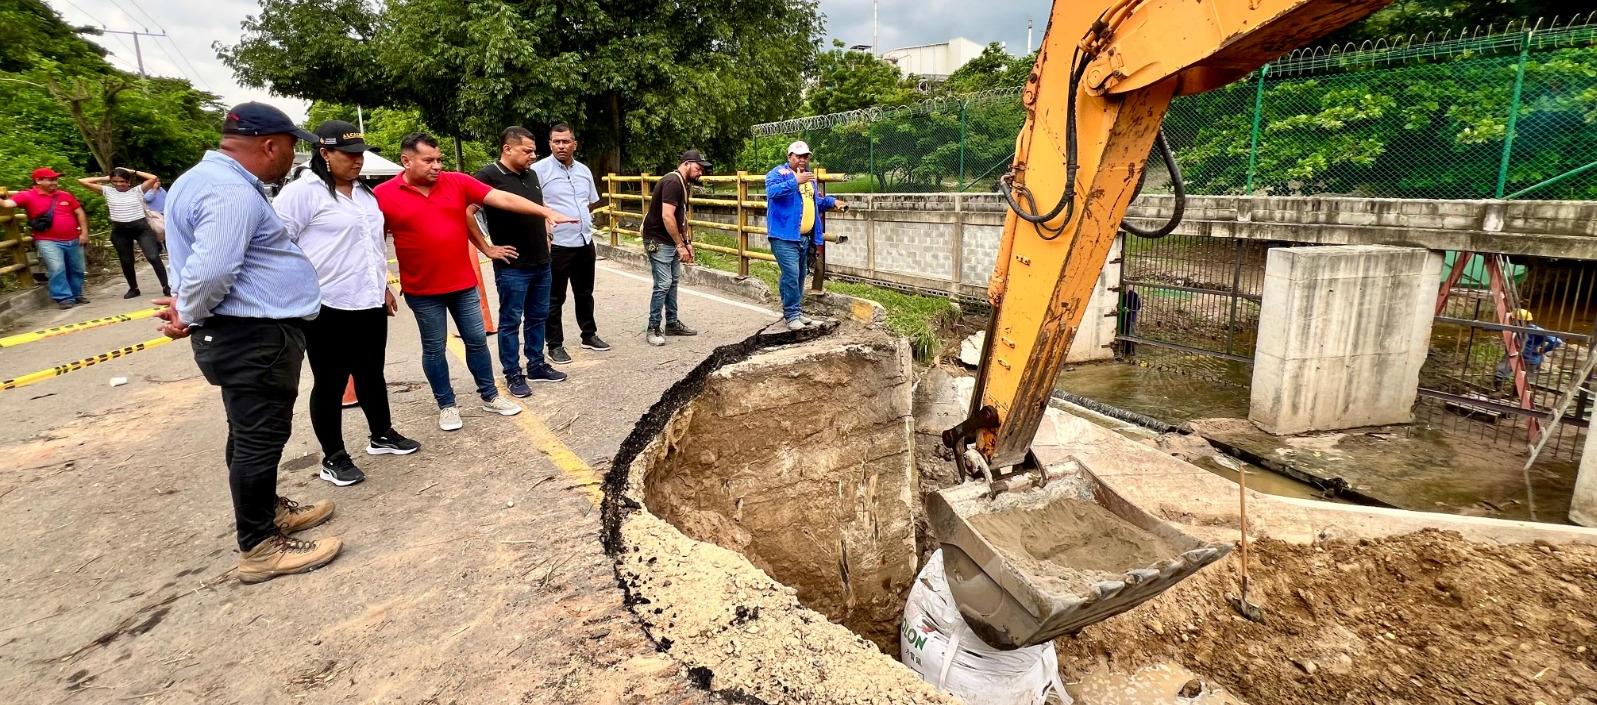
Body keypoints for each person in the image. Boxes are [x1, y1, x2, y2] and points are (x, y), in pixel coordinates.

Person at [154, 102, 340, 584]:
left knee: (248, 432)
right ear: (270, 145)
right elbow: (213, 268)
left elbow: (200, 263)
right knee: (259, 436)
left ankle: (267, 512)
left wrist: (186, 309)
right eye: (291, 146)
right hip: (253, 333)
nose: (292, 155)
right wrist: (188, 314)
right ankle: (259, 546)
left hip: (246, 332)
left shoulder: (203, 180)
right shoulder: (227, 190)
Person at [374, 132, 577, 431]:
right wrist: (383, 285)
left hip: (463, 285)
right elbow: (374, 243)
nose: (436, 166)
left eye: (439, 159)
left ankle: (490, 395)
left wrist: (545, 211)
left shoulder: (457, 182)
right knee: (433, 349)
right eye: (428, 160)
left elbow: (502, 198)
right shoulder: (383, 194)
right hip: (422, 290)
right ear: (406, 160)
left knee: (477, 342)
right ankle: (447, 405)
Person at [274, 120, 422, 487]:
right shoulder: (302, 194)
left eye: (360, 154)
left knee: (372, 372)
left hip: (368, 300)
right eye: (349, 155)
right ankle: (333, 456)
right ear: (325, 153)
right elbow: (276, 246)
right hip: (326, 305)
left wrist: (383, 287)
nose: (358, 161)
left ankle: (382, 434)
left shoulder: (365, 194)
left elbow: (371, 249)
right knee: (331, 381)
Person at [466, 127, 568, 399]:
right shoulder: (488, 176)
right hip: (513, 266)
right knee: (511, 320)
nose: (533, 156)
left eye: (534, 151)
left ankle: (536, 364)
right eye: (527, 151)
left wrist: (546, 230)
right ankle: (513, 372)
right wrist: (487, 248)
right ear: (507, 149)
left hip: (541, 261)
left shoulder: (531, 174)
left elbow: (538, 205)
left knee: (538, 316)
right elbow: (466, 211)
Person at [533, 122, 609, 364]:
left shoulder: (584, 171)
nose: (561, 146)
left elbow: (589, 202)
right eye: (557, 141)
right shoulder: (538, 171)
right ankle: (555, 344)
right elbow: (533, 207)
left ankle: (589, 334)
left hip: (584, 241)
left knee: (585, 292)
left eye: (566, 141)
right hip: (558, 245)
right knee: (554, 297)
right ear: (550, 144)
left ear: (574, 144)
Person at [765, 141, 847, 330]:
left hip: (804, 237)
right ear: (789, 157)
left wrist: (833, 202)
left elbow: (815, 201)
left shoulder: (809, 179)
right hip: (784, 236)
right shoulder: (777, 174)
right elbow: (771, 192)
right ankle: (791, 314)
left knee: (801, 274)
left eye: (805, 156)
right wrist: (795, 181)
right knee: (791, 274)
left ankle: (796, 312)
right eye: (798, 156)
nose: (802, 160)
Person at [640, 150, 709, 346]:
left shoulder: (683, 183)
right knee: (663, 283)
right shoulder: (672, 182)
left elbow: (682, 217)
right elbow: (667, 216)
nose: (700, 173)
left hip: (670, 240)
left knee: (673, 282)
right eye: (698, 168)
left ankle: (671, 322)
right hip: (658, 240)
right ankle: (653, 327)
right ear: (687, 164)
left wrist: (687, 243)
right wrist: (680, 245)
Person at [2, 168, 89, 309]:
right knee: (57, 268)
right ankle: (63, 297)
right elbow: (7, 204)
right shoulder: (27, 195)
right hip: (48, 240)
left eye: (55, 179)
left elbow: (79, 212)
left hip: (73, 238)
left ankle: (76, 294)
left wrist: (84, 233)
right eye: (50, 179)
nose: (55, 182)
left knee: (77, 268)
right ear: (38, 181)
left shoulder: (65, 195)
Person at [80, 167, 170, 298]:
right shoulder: (108, 191)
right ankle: (133, 288)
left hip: (141, 228)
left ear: (128, 182)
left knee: (153, 257)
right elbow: (82, 181)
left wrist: (133, 171)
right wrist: (105, 178)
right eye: (115, 181)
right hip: (120, 231)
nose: (118, 184)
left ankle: (166, 286)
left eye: (122, 181)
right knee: (126, 261)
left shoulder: (137, 190)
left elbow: (153, 178)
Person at [1496, 309, 1564, 391]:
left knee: (1504, 374)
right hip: (1528, 358)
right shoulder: (1530, 329)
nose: (1511, 320)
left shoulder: (1531, 330)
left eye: (1513, 319)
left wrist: (1544, 350)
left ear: (1518, 320)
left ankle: (1502, 392)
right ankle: (1510, 395)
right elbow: (1556, 341)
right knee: (1523, 381)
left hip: (1522, 357)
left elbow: (1557, 341)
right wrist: (1543, 350)